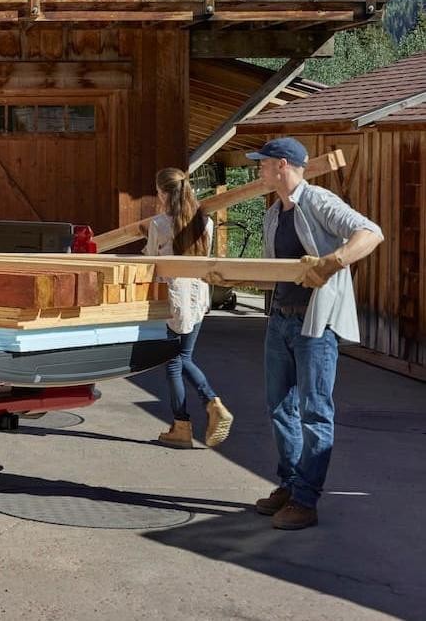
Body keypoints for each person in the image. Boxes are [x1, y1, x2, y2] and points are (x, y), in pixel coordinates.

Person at [248, 137, 383, 531]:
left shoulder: (319, 201)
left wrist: (332, 261)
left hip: (314, 325)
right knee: (279, 407)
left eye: (263, 163)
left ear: (283, 165)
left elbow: (370, 232)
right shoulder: (274, 213)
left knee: (314, 412)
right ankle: (290, 485)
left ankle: (306, 500)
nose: (259, 169)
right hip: (281, 320)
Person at [144, 168, 232, 449]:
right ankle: (209, 406)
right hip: (197, 296)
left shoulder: (160, 224)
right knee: (185, 356)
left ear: (162, 193)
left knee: (174, 361)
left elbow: (151, 260)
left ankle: (189, 419)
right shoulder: (204, 221)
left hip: (172, 299)